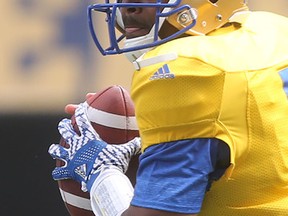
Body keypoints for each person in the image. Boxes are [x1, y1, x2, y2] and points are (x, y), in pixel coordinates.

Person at [49, 0, 288, 215]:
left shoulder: (183, 71)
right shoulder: (272, 29)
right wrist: (167, 133)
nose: (128, 7)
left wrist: (101, 173)